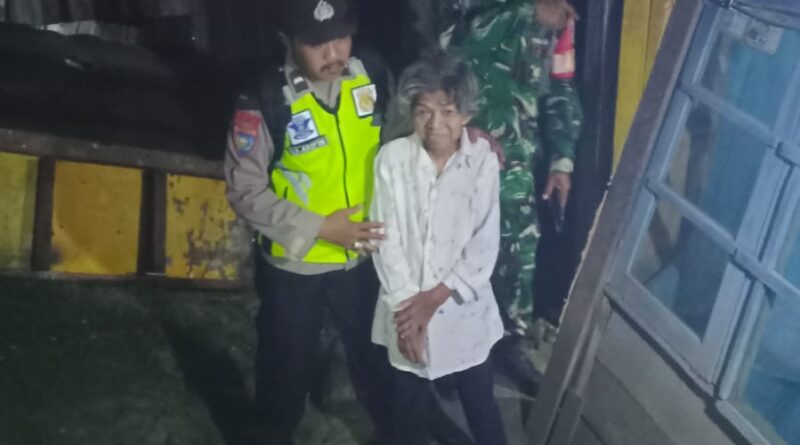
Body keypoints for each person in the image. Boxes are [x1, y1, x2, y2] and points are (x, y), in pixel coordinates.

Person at [222, 0, 392, 442]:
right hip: (294, 266)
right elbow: (244, 190)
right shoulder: (263, 96)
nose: (333, 53)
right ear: (288, 41)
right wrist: (320, 227)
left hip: (363, 258)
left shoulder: (370, 71)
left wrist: (465, 136)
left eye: (341, 38)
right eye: (317, 44)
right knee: (284, 369)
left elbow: (405, 131)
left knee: (378, 360)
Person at [419, 0, 584, 395]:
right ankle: (449, 358)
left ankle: (510, 346)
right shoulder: (506, 9)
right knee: (454, 253)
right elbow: (452, 44)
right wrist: (527, 12)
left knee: (518, 257)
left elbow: (561, 85)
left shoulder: (553, 13)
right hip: (459, 153)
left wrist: (562, 159)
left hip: (517, 166)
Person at [371, 53, 507, 445]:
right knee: (406, 408)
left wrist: (434, 299)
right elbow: (386, 239)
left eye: (447, 112)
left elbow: (484, 243)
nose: (435, 124)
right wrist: (408, 313)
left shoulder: (481, 162)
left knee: (480, 404)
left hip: (464, 311)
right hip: (405, 308)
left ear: (467, 114)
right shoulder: (393, 160)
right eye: (423, 112)